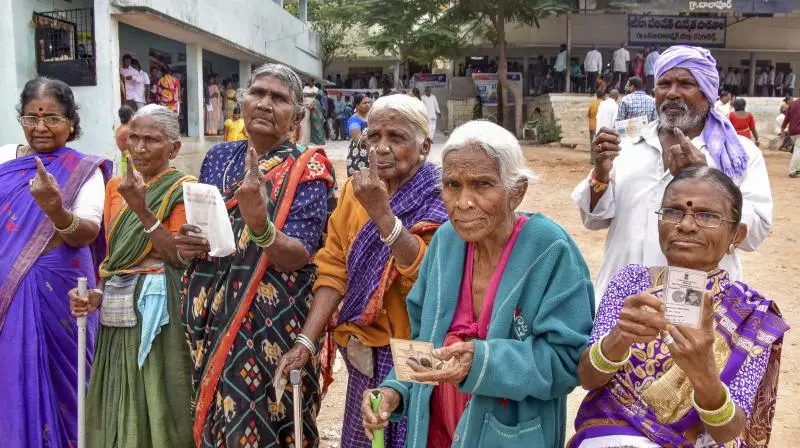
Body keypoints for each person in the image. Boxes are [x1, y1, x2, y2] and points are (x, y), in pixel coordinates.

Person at [361, 120, 595, 448]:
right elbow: (421, 340)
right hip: (436, 430)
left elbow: (566, 360)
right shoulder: (445, 242)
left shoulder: (550, 250)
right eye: (452, 185)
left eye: (482, 185)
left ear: (516, 191)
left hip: (511, 436)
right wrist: (393, 390)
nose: (463, 202)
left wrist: (482, 361)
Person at [570, 166, 788, 448]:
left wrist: (705, 373)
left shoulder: (752, 317)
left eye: (707, 215)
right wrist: (618, 339)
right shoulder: (631, 282)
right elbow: (588, 378)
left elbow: (728, 432)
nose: (685, 225)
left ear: (737, 235)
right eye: (673, 211)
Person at [275, 94, 448, 448]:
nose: (382, 148)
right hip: (363, 348)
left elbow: (433, 280)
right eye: (374, 136)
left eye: (396, 138)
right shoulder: (357, 190)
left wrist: (383, 216)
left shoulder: (441, 195)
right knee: (365, 437)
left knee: (414, 436)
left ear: (424, 146)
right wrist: (306, 342)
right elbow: (333, 267)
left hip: (421, 347)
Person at [182, 63, 336, 447]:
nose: (265, 104)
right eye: (258, 94)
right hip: (214, 317)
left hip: (272, 322)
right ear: (242, 103)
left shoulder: (309, 168)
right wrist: (189, 246)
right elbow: (207, 234)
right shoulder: (218, 159)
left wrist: (259, 224)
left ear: (297, 116)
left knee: (275, 419)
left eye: (279, 98)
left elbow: (297, 255)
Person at [572, 45, 772, 306]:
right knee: (613, 347)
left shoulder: (738, 155)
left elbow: (753, 234)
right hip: (622, 300)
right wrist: (601, 173)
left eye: (686, 84)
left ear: (707, 92)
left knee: (684, 346)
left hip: (694, 301)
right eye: (664, 83)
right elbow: (593, 221)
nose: (672, 93)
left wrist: (704, 179)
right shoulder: (627, 145)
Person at [69, 105, 195, 448]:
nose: (138, 148)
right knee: (117, 397)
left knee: (157, 395)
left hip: (159, 311)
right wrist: (95, 295)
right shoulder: (115, 187)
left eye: (151, 140)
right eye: (134, 138)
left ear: (173, 148)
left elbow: (177, 256)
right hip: (115, 311)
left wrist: (141, 207)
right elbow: (115, 259)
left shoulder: (184, 188)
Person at [0, 77, 112, 447]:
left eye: (52, 119)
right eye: (32, 118)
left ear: (72, 123)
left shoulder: (85, 169)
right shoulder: (5, 159)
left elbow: (86, 233)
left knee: (67, 379)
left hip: (60, 292)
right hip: (5, 287)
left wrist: (54, 208)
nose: (41, 128)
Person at [346, 93, 370, 175]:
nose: (367, 105)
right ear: (357, 105)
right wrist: (373, 136)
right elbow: (358, 140)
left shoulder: (370, 117)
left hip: (370, 153)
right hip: (359, 155)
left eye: (368, 102)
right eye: (364, 103)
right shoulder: (354, 119)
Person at [781, 96, 800, 177]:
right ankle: (793, 170)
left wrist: (782, 128)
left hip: (792, 131)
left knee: (797, 149)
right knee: (798, 150)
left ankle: (798, 169)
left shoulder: (792, 104)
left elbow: (786, 117)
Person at [115, 104, 135, 175]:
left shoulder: (119, 129)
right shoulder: (126, 130)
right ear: (130, 116)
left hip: (125, 159)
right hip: (130, 160)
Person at [588, 90, 605, 164]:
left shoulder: (592, 104)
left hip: (592, 126)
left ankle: (593, 160)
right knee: (601, 144)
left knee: (593, 143)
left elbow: (588, 115)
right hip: (600, 126)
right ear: (604, 96)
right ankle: (600, 159)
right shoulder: (604, 104)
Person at [300, 78, 317, 145]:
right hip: (304, 106)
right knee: (303, 123)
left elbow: (313, 95)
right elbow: (303, 95)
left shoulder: (315, 88)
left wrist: (307, 94)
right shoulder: (305, 87)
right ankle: (303, 140)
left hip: (311, 107)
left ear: (313, 82)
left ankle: (307, 140)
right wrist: (308, 94)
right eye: (308, 82)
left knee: (307, 123)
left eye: (310, 82)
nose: (309, 83)